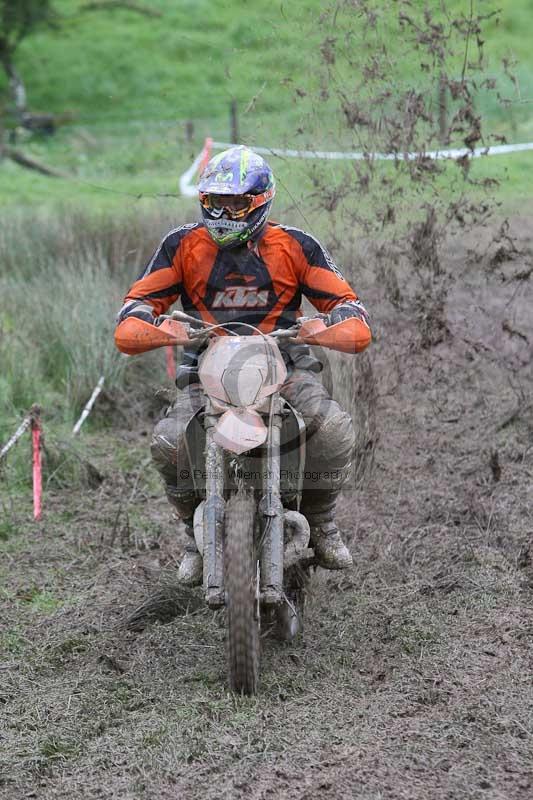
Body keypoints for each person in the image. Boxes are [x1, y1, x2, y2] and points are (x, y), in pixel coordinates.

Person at [115, 145, 371, 585]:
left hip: (286, 363)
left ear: (259, 201)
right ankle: (192, 537)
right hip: (206, 368)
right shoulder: (182, 245)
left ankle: (322, 519)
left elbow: (349, 306)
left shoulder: (296, 245)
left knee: (330, 427)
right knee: (169, 440)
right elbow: (136, 306)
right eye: (215, 202)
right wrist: (156, 326)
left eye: (235, 203)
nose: (224, 212)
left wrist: (329, 323)